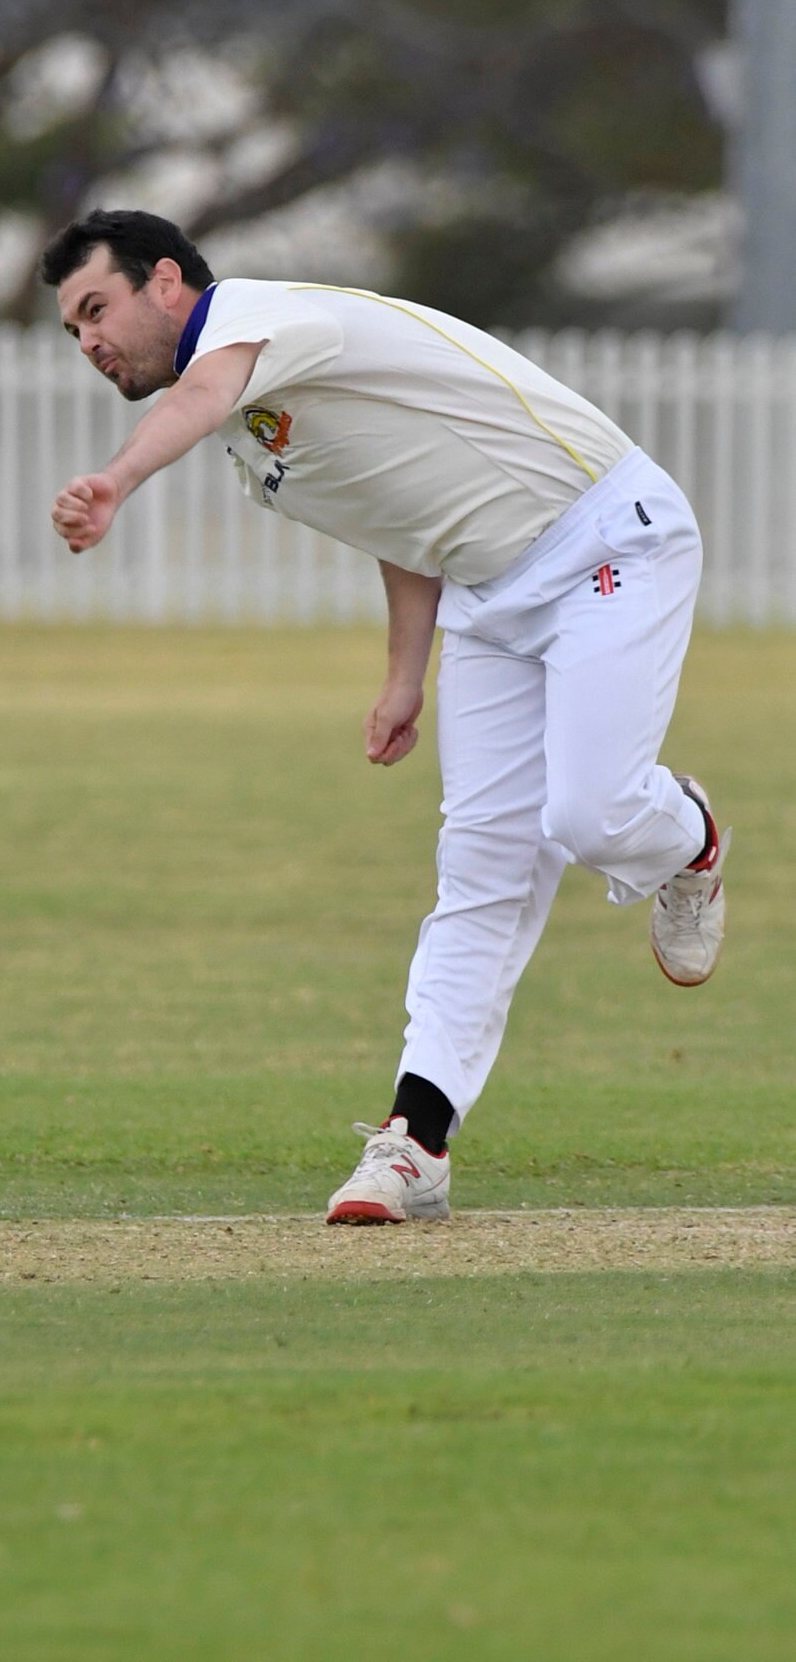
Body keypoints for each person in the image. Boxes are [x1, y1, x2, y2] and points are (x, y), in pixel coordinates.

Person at [43, 207, 730, 1226]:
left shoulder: (257, 319)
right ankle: (415, 1145)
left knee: (587, 816)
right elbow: (395, 510)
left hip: (604, 541)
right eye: (72, 330)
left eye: (97, 309)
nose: (90, 341)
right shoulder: (251, 429)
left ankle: (691, 835)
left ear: (169, 283)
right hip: (487, 598)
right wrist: (404, 674)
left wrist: (117, 480)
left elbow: (201, 389)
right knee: (480, 866)